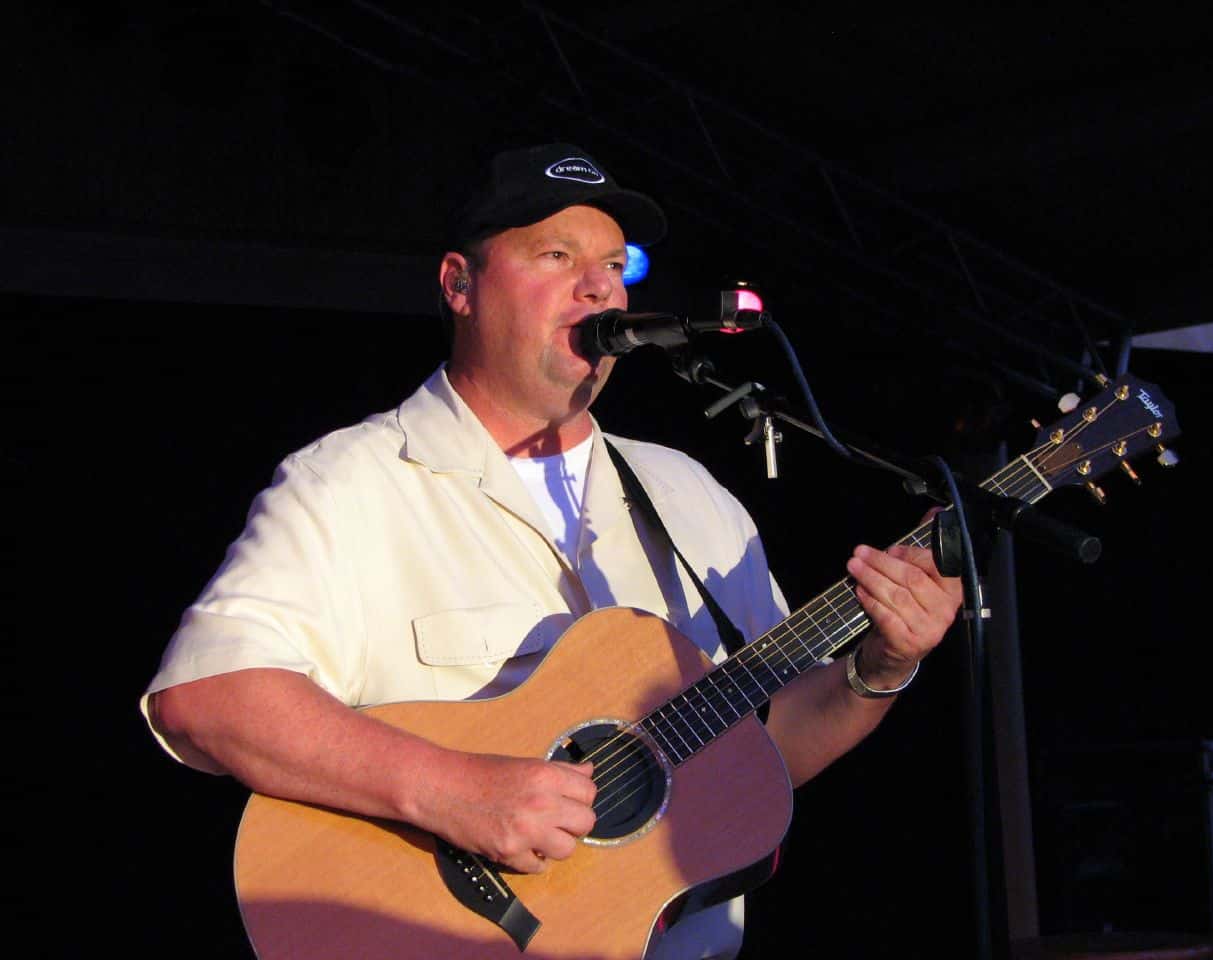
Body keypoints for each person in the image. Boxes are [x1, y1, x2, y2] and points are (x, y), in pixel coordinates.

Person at [141, 142, 963, 959]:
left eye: (616, 264)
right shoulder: (353, 482)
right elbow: (206, 697)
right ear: (460, 286)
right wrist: (458, 792)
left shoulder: (690, 497)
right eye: (557, 255)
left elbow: (761, 749)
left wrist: (878, 670)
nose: (601, 284)